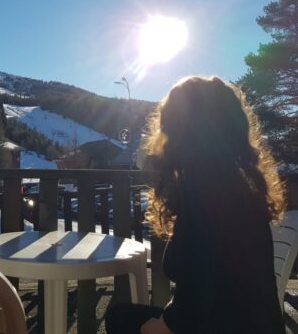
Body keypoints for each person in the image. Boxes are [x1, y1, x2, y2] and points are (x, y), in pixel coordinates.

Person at [105, 76, 286, 334]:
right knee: (122, 316)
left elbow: (201, 298)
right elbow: (215, 284)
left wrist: (163, 325)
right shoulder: (238, 186)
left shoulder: (204, 194)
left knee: (121, 320)